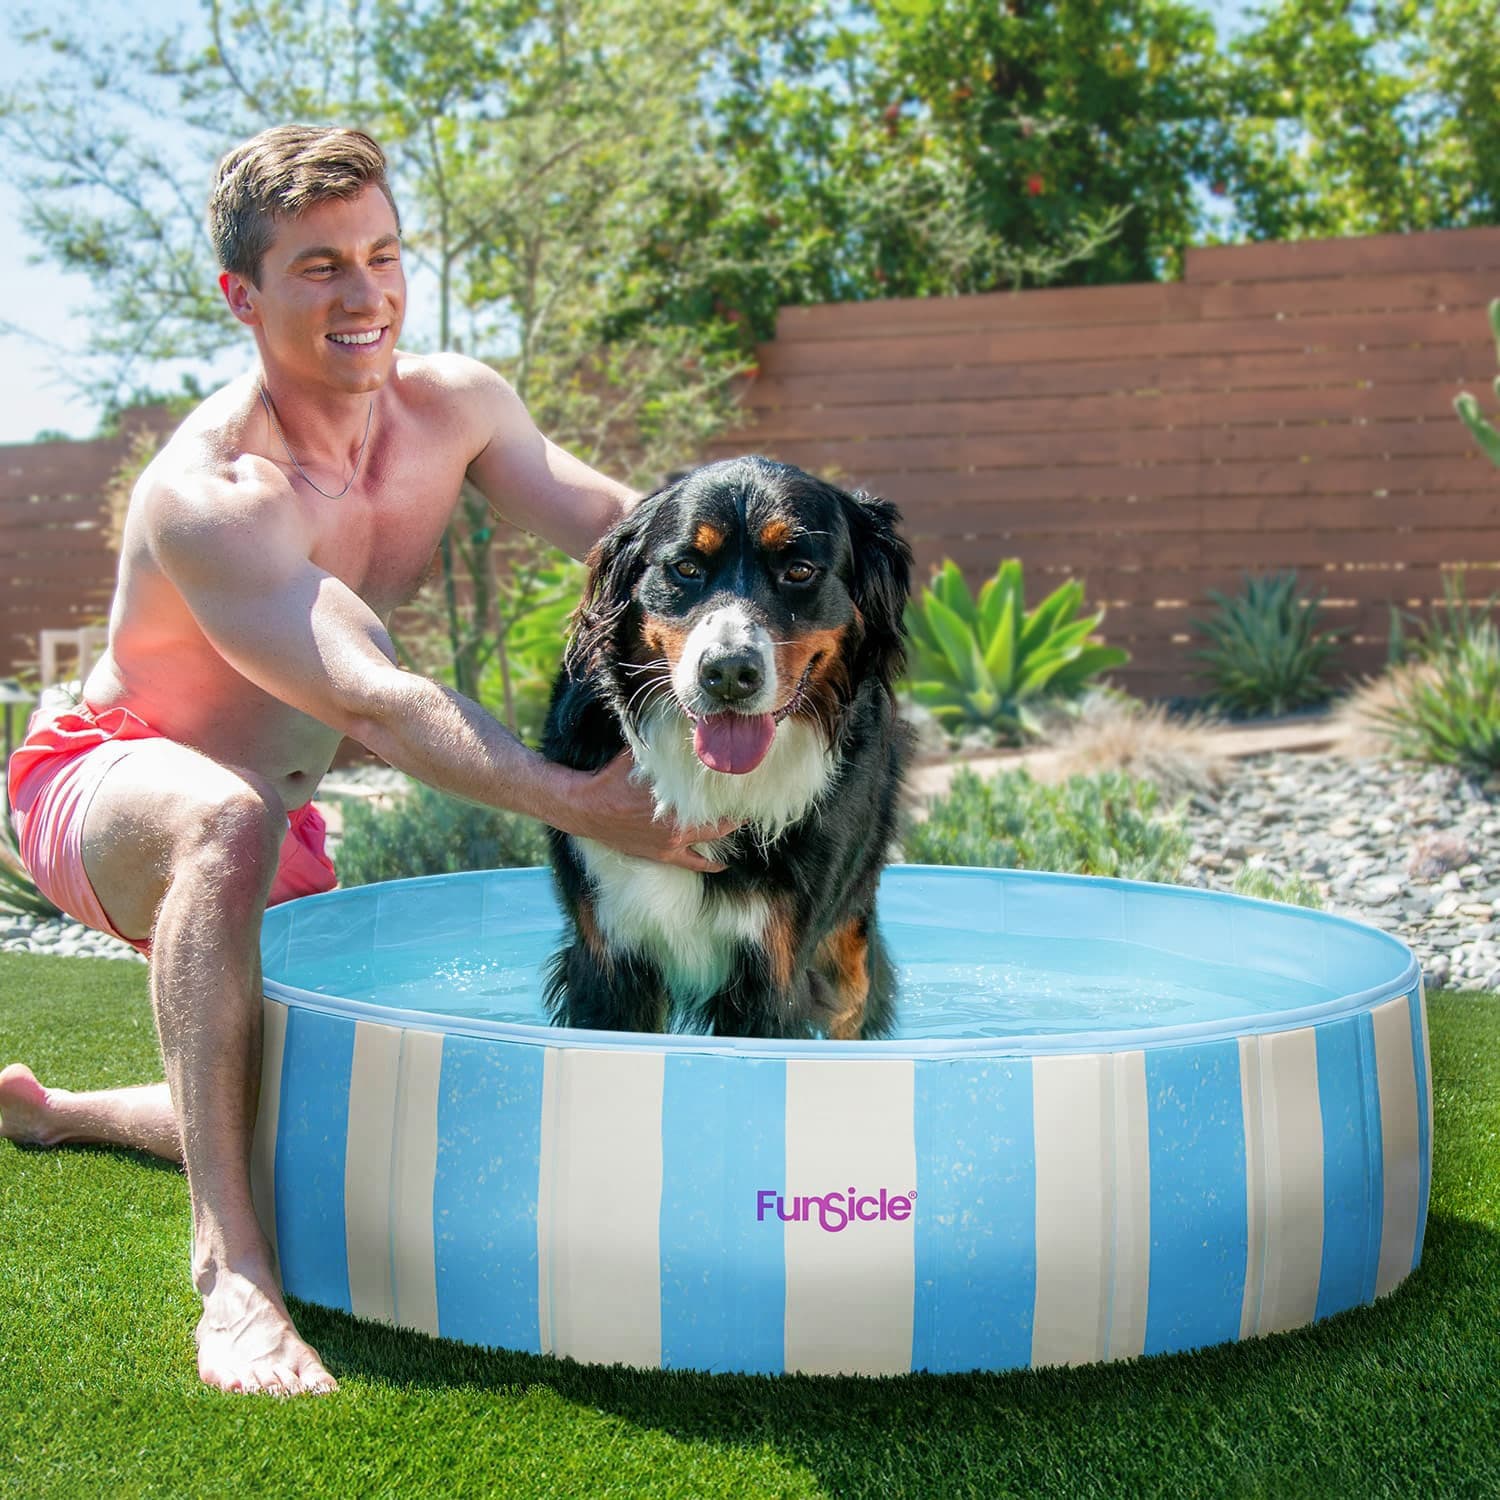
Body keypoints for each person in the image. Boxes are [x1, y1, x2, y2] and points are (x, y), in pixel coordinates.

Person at [0, 124, 736, 1397]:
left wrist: (760, 610)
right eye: (321, 266)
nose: (367, 294)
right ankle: (232, 1280)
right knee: (222, 819)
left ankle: (52, 1113)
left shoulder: (455, 407)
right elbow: (381, 705)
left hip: (279, 822)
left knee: (301, 1127)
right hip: (107, 785)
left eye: (384, 254)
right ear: (244, 294)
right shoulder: (217, 492)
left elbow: (626, 533)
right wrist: (580, 805)